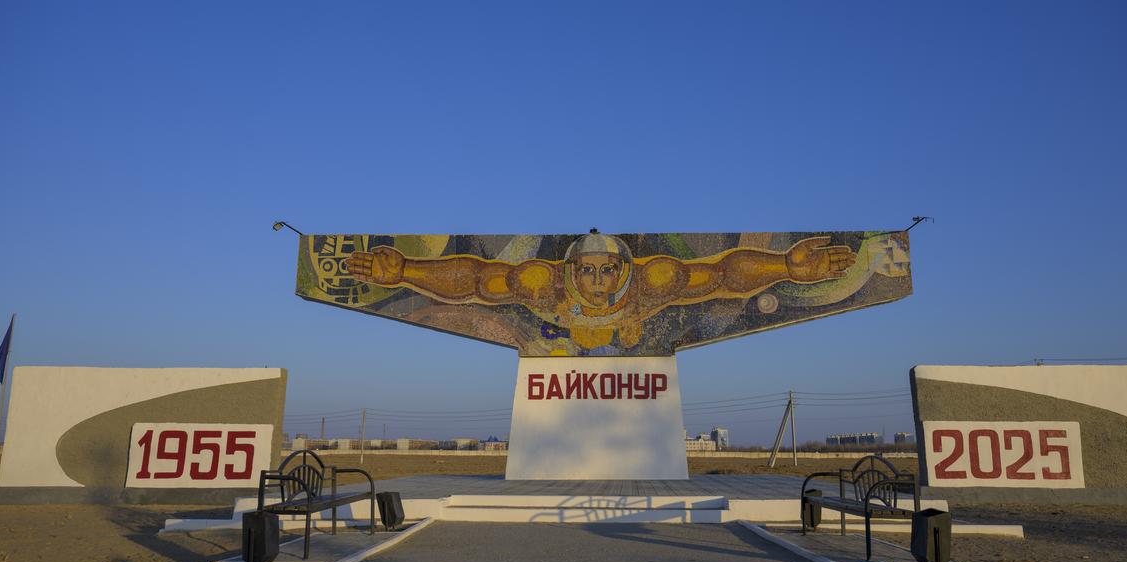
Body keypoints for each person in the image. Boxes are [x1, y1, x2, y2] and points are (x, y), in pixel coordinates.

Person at [344, 230, 855, 351]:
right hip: (556, 331)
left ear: (623, 270)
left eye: (606, 271)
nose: (595, 282)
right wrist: (405, 270)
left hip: (633, 331)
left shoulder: (655, 280)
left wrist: (787, 266)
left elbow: (722, 274)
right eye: (586, 271)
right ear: (571, 270)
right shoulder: (540, 282)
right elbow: (476, 279)